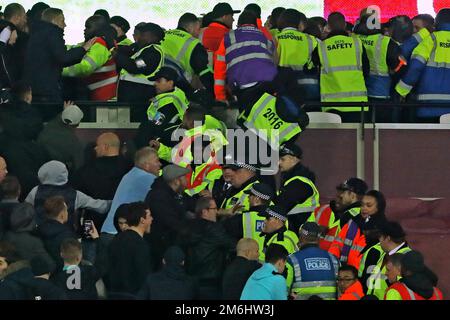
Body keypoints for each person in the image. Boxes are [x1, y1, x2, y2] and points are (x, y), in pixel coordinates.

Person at [24, 7, 95, 118]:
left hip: (34, 89)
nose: (65, 25)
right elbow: (63, 58)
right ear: (54, 21)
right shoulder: (52, 32)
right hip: (48, 90)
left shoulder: (35, 33)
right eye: (62, 20)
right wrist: (83, 49)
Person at [309, 12, 369, 122]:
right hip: (358, 103)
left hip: (332, 105)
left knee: (333, 139)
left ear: (329, 27)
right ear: (345, 25)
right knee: (357, 138)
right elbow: (366, 70)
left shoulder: (322, 46)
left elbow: (310, 68)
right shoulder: (357, 43)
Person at [395, 9, 450, 122]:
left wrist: (400, 92)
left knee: (426, 139)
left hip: (428, 108)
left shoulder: (431, 40)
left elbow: (415, 67)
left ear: (437, 23)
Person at [214, 10, 277, 103]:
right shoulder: (264, 36)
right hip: (267, 81)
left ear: (238, 25)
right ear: (256, 25)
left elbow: (220, 69)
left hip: (241, 83)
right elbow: (274, 58)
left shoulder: (229, 37)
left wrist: (220, 97)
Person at [25, 160, 111, 229]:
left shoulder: (35, 191)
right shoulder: (75, 195)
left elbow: (25, 210)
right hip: (65, 237)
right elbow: (101, 207)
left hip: (40, 234)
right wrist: (117, 202)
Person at [353, 14, 407, 122]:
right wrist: (393, 74)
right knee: (381, 132)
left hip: (356, 93)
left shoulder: (353, 40)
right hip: (380, 93)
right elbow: (401, 66)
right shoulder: (386, 42)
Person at [180, 196, 236, 300]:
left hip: (190, 281)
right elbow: (232, 245)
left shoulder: (188, 226)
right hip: (211, 282)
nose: (216, 212)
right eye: (214, 209)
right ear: (205, 211)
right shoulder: (214, 229)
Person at [100, 147, 161, 239]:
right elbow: (166, 194)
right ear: (146, 165)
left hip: (109, 232)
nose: (160, 164)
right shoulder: (146, 178)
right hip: (119, 235)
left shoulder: (131, 175)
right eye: (157, 161)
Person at [116, 22, 165, 120]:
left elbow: (135, 66)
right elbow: (127, 50)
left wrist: (116, 55)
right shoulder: (143, 50)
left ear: (154, 37)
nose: (139, 38)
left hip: (140, 102)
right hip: (133, 101)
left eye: (143, 35)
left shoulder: (153, 53)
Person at [145, 164, 190, 267]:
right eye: (184, 177)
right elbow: (171, 222)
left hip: (169, 244)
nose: (187, 181)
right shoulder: (159, 197)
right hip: (160, 249)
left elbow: (191, 203)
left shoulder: (176, 194)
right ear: (176, 181)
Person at [135, 67, 190, 149]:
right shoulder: (176, 92)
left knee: (146, 127)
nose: (155, 84)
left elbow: (157, 124)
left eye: (159, 81)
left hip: (171, 138)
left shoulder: (170, 102)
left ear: (170, 83)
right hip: (175, 134)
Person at [161, 13, 214, 97]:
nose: (199, 33)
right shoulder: (193, 43)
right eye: (198, 29)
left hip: (148, 83)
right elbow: (204, 73)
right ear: (191, 28)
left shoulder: (162, 34)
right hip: (173, 88)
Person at [107, 202, 153, 296]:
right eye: (149, 216)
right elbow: (143, 277)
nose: (152, 219)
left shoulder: (115, 240)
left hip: (113, 295)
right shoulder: (140, 245)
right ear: (142, 220)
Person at [74, 132, 132, 204]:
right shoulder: (130, 168)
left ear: (105, 147)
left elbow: (78, 194)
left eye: (97, 145)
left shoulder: (87, 170)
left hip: (93, 212)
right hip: (123, 211)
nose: (95, 148)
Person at [359, 221, 411, 299]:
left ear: (387, 238)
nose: (379, 242)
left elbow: (401, 288)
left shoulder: (405, 257)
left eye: (380, 237)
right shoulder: (386, 254)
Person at [274, 143, 319, 233]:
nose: (278, 163)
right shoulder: (293, 180)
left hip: (301, 234)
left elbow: (280, 206)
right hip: (299, 233)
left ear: (293, 159)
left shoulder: (300, 183)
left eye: (282, 159)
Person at [287, 222, 339, 300]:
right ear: (319, 238)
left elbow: (284, 290)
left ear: (301, 237)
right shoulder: (334, 259)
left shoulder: (292, 259)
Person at [276, 9, 319, 101]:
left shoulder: (275, 38)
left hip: (283, 86)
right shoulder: (311, 39)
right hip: (308, 87)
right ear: (299, 22)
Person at [328, 178, 368, 268]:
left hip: (350, 266)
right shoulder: (355, 213)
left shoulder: (350, 215)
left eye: (344, 192)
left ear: (353, 195)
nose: (340, 195)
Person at [222, 183, 274, 251]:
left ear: (256, 199)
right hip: (272, 260)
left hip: (248, 260)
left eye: (250, 195)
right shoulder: (281, 220)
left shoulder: (241, 219)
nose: (248, 198)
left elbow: (222, 237)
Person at [37, 103, 85, 173]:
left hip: (41, 171)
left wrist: (66, 111)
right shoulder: (74, 143)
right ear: (77, 124)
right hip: (61, 175)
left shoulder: (46, 128)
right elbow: (79, 167)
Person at [36, 196, 77, 268]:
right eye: (66, 210)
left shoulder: (37, 230)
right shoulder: (67, 235)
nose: (67, 213)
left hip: (41, 270)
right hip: (60, 272)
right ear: (62, 214)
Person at [200, 2, 240, 71]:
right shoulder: (230, 35)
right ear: (224, 17)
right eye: (231, 16)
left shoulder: (202, 32)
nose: (233, 19)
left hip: (204, 74)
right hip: (222, 74)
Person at [2, 3, 28, 88]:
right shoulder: (19, 36)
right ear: (17, 17)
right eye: (24, 17)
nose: (25, 21)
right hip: (10, 87)